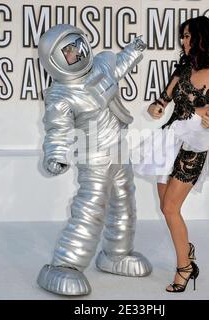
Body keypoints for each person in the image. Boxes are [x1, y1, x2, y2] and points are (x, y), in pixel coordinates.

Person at [36, 24, 152, 296]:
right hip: (94, 155)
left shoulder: (102, 65)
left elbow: (120, 66)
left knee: (124, 201)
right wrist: (56, 154)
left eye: (77, 45)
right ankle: (65, 264)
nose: (76, 52)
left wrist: (133, 51)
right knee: (91, 208)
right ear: (55, 61)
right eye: (68, 51)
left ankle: (117, 253)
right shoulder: (61, 94)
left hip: (119, 151)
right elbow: (58, 129)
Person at [146, 16, 209, 293]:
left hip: (195, 144)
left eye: (188, 36)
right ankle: (187, 250)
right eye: (182, 36)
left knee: (170, 208)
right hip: (169, 141)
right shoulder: (182, 70)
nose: (183, 41)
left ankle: (184, 267)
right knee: (166, 208)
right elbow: (163, 100)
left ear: (203, 39)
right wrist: (155, 108)